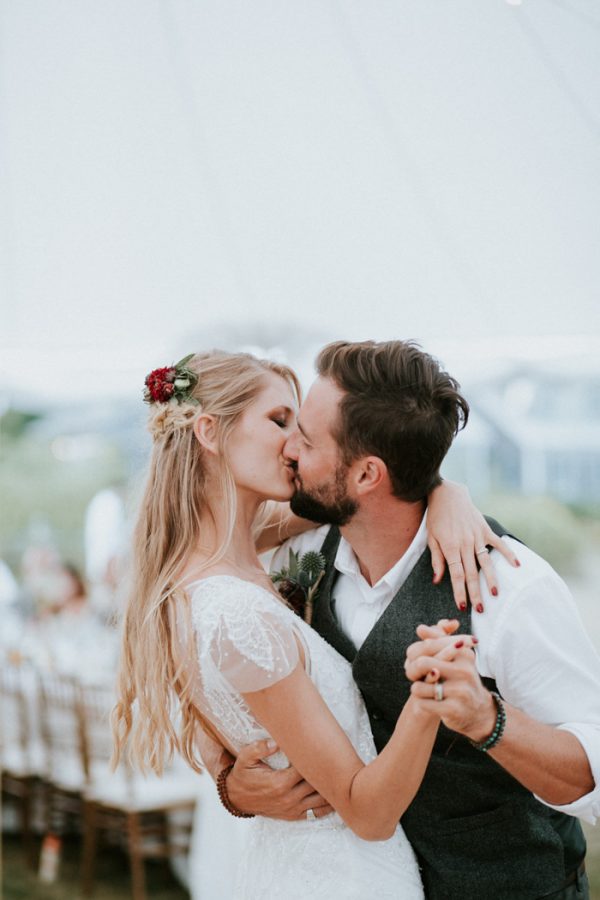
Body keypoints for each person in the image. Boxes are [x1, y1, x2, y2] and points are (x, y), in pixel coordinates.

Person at [112, 349, 508, 900]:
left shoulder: (219, 563)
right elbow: (365, 811)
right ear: (209, 431)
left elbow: (369, 488)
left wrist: (445, 493)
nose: (294, 444)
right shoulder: (233, 609)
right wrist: (428, 696)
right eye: (279, 422)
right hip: (346, 875)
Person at [218, 340, 600, 900]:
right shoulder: (298, 559)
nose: (288, 449)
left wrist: (483, 719)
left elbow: (589, 777)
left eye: (306, 436)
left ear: (368, 474)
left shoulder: (513, 590)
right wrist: (233, 786)